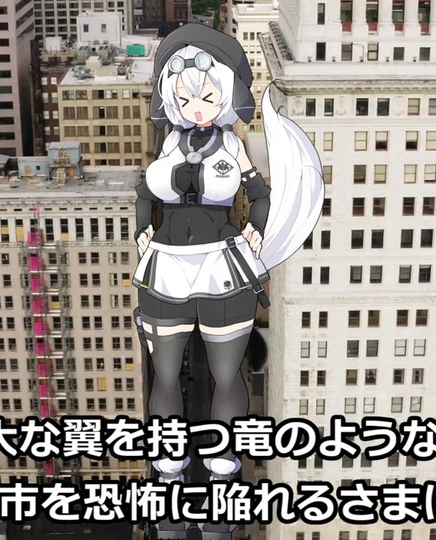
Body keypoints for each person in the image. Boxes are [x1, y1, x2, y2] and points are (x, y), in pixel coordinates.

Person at [131, 23, 324, 538]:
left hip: (221, 265)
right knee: (164, 374)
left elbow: (259, 196)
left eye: (207, 96)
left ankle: (223, 472)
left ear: (228, 94)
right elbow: (145, 197)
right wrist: (141, 232)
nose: (196, 107)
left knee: (225, 373)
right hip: (166, 266)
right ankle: (168, 473)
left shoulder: (234, 148)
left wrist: (257, 231)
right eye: (185, 97)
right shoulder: (167, 147)